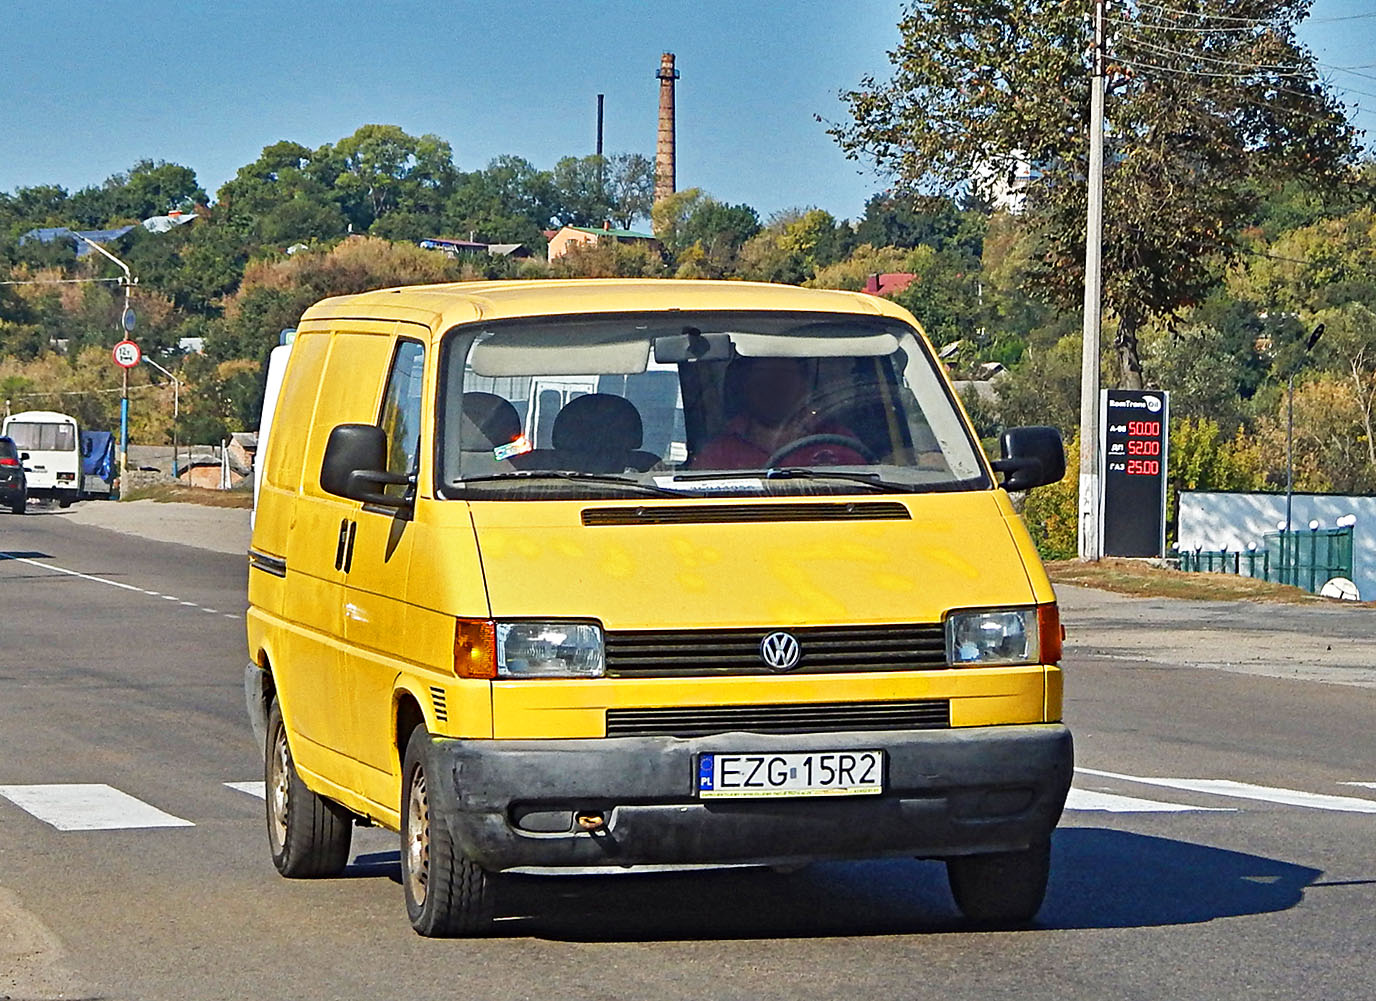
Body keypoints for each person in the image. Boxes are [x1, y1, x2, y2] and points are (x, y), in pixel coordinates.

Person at [690, 356, 867, 470]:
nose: (774, 386)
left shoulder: (838, 443)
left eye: (784, 376)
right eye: (763, 377)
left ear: (805, 386)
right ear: (745, 386)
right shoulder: (719, 452)